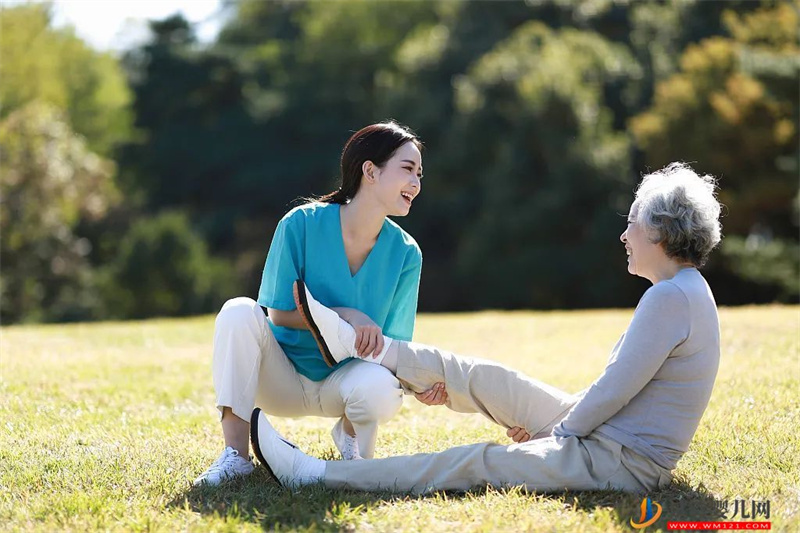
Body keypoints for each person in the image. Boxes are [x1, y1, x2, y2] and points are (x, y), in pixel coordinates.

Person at [250, 162, 723, 495]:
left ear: (659, 230)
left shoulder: (670, 298)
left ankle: (315, 475)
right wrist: (563, 426)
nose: (625, 235)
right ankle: (363, 346)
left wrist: (557, 436)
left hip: (623, 462)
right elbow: (617, 394)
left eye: (632, 223)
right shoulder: (682, 290)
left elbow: (615, 392)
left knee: (476, 461)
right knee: (483, 377)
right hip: (607, 435)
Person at [194, 121, 432, 486]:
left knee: (380, 387)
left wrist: (426, 382)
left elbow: (393, 345)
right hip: (281, 377)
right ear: (370, 170)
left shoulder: (406, 253)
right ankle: (236, 456)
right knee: (238, 311)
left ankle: (351, 443)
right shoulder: (300, 224)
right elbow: (278, 313)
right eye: (406, 169)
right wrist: (348, 315)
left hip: (344, 384)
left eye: (419, 173)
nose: (415, 183)